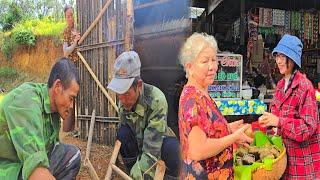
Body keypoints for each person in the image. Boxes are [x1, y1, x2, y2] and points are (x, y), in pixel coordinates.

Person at [178, 32, 252, 179]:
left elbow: (205, 131)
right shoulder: (193, 100)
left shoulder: (201, 92)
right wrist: (232, 137)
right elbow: (198, 150)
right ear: (190, 67)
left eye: (214, 60)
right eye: (205, 61)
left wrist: (227, 129)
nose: (212, 67)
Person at [0, 58, 81, 180]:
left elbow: (48, 152)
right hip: (7, 167)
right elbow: (35, 168)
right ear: (58, 86)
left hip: (23, 163)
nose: (71, 105)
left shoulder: (53, 110)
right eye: (71, 98)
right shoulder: (26, 102)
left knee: (72, 156)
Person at [107, 51, 180, 179]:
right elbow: (127, 136)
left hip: (158, 145)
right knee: (123, 133)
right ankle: (133, 173)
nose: (122, 100)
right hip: (138, 145)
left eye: (126, 93)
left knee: (174, 149)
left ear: (139, 85)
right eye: (119, 93)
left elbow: (152, 147)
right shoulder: (123, 103)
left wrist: (140, 173)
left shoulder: (157, 100)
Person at [259, 34, 320, 179]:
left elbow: (308, 128)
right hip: (283, 159)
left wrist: (279, 122)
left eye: (283, 56)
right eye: (277, 56)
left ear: (292, 59)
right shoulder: (280, 85)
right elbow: (275, 115)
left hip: (302, 163)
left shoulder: (305, 87)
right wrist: (269, 123)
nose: (278, 61)